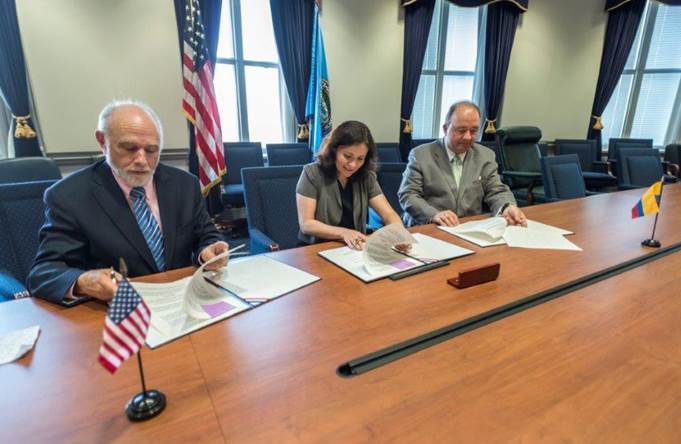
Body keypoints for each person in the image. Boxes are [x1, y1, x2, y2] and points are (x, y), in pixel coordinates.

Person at [28, 100, 228, 305]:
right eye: (129, 148)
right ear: (102, 141)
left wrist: (209, 251)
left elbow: (206, 233)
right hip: (118, 312)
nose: (142, 160)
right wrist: (83, 281)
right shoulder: (68, 196)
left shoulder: (185, 185)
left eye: (151, 150)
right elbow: (44, 272)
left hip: (183, 301)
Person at [398, 101, 526, 227]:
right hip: (429, 226)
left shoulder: (485, 156)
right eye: (461, 130)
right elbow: (408, 195)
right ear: (445, 128)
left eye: (474, 131)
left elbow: (496, 190)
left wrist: (507, 207)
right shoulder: (421, 155)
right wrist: (434, 214)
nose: (468, 137)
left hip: (469, 227)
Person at [296, 120, 403, 249]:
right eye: (347, 156)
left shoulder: (367, 177)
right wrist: (343, 233)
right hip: (316, 247)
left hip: (353, 247)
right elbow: (307, 224)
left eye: (360, 159)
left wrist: (399, 235)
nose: (353, 165)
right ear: (334, 150)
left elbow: (388, 214)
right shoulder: (312, 173)